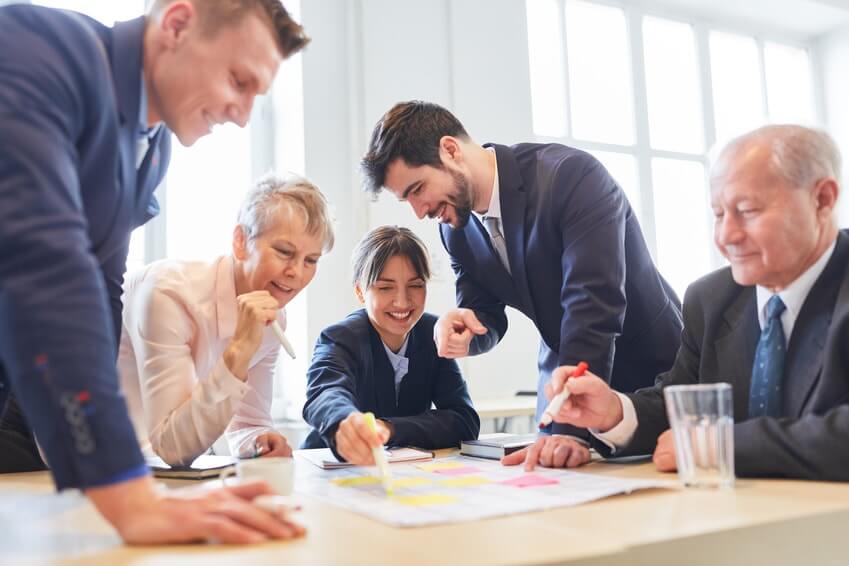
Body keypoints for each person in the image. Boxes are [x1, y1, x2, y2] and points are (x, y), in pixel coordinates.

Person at [0, 0, 309, 544]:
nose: (241, 114)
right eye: (238, 81)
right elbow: (50, 273)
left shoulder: (152, 147)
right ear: (177, 23)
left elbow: (99, 296)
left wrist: (118, 479)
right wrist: (130, 496)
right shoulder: (37, 51)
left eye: (256, 96)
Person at [360, 101, 683, 469]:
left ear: (450, 150)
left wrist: (569, 429)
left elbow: (591, 306)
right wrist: (467, 331)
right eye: (407, 201)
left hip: (651, 378)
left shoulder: (571, 177)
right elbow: (485, 316)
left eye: (418, 189)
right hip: (562, 389)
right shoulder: (457, 232)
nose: (420, 211)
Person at [540, 124, 849, 480]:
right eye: (719, 214)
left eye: (747, 211)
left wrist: (722, 445)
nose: (726, 236)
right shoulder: (712, 298)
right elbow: (678, 405)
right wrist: (613, 411)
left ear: (822, 199)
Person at [119, 175, 333, 465]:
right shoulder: (168, 294)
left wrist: (259, 441)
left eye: (311, 261)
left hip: (154, 471)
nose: (297, 272)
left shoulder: (274, 320)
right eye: (284, 252)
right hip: (75, 458)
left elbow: (248, 424)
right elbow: (172, 447)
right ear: (241, 241)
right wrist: (240, 350)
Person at [302, 226, 480, 464]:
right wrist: (346, 422)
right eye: (385, 287)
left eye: (415, 285)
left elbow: (464, 421)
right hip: (334, 468)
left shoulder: (433, 333)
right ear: (360, 292)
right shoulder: (340, 337)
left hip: (404, 473)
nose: (402, 301)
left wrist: (389, 428)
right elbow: (325, 393)